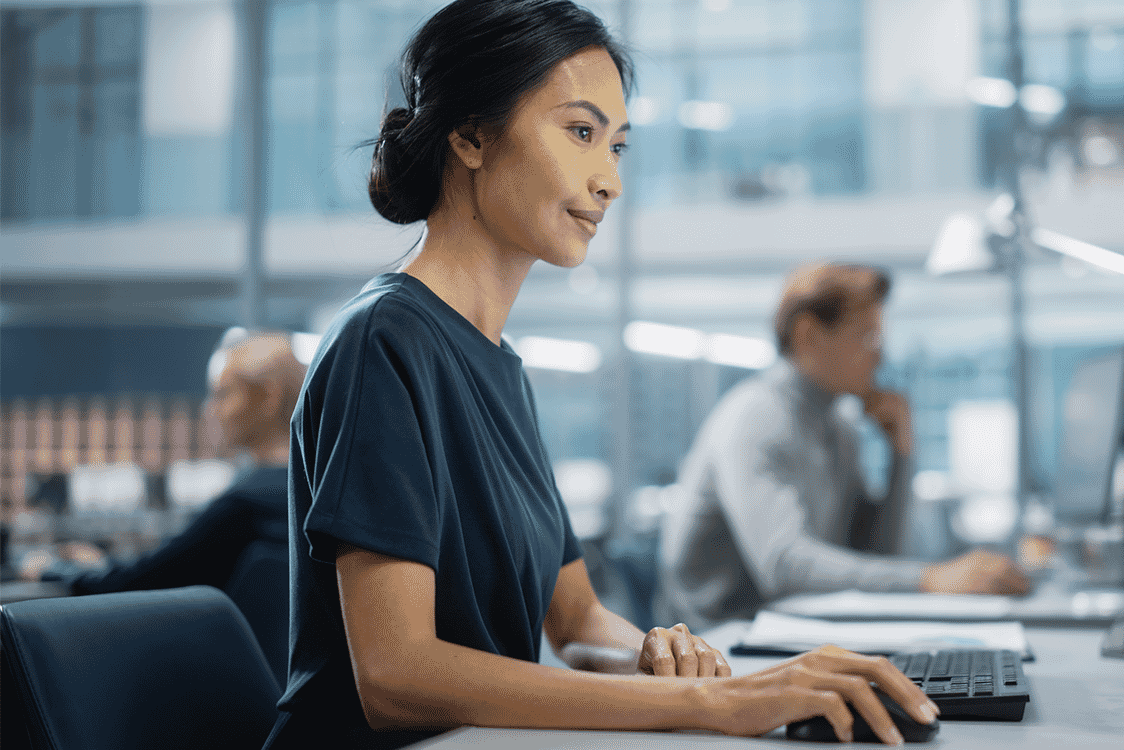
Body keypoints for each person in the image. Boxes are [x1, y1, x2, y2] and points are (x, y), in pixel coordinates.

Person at [264, 2, 937, 747]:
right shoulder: (382, 343)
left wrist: (660, 657)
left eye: (617, 147)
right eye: (581, 133)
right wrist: (707, 708)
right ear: (471, 136)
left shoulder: (501, 369)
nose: (608, 180)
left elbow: (578, 620)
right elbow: (396, 674)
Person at [657, 263, 1033, 630]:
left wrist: (901, 457)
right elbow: (783, 567)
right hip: (722, 648)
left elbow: (874, 555)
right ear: (809, 336)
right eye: (868, 335)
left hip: (793, 632)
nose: (880, 355)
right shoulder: (757, 416)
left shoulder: (837, 427)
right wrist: (930, 578)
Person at [67, 330, 303, 597]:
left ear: (269, 398)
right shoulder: (309, 492)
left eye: (222, 394)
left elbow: (140, 583)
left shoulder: (245, 504)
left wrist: (59, 570)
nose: (210, 409)